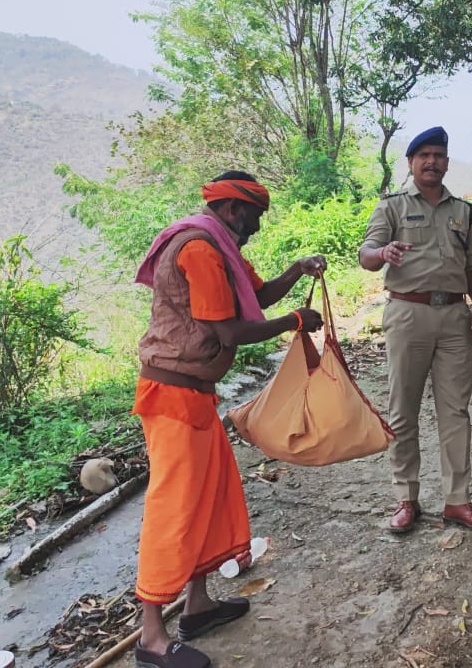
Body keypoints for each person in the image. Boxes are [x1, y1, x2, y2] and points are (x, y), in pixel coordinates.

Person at [131, 171, 327, 668]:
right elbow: (231, 329)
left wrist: (297, 270)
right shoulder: (200, 248)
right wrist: (295, 324)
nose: (256, 228)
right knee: (173, 510)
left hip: (195, 395)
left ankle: (196, 607)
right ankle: (151, 637)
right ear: (235, 210)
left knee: (206, 499)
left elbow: (255, 298)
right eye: (255, 217)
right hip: (172, 397)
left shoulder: (220, 246)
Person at [358, 126, 472, 534]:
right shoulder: (392, 207)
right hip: (407, 315)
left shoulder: (463, 211)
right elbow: (366, 255)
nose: (432, 162)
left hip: (455, 318)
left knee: (456, 412)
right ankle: (406, 499)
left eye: (439, 155)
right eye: (425, 156)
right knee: (403, 410)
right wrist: (383, 253)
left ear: (447, 163)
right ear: (412, 163)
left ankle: (458, 501)